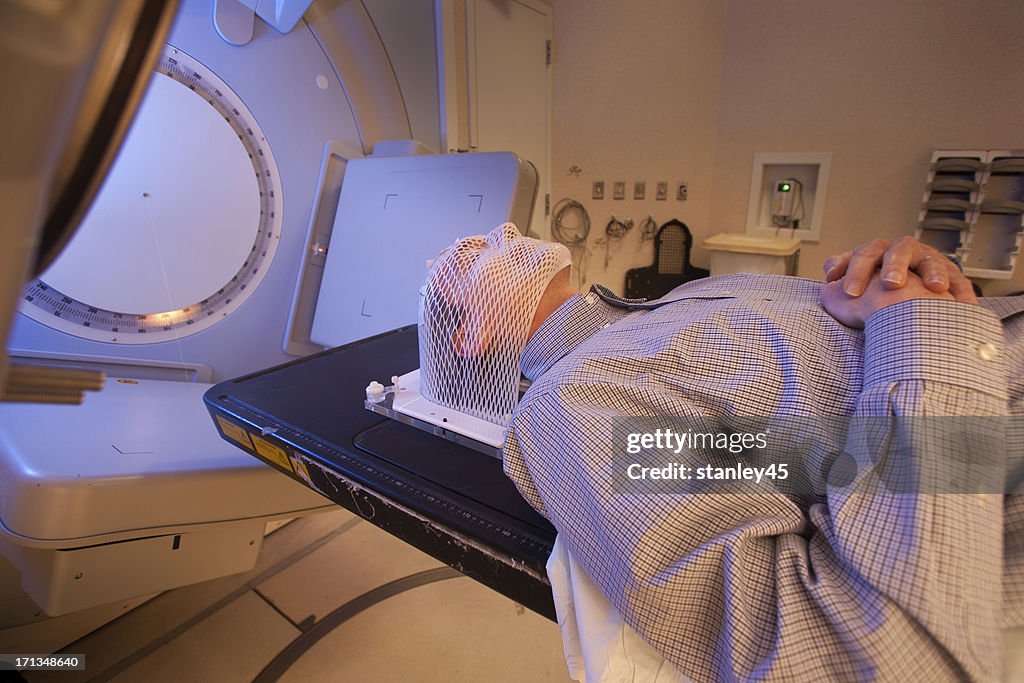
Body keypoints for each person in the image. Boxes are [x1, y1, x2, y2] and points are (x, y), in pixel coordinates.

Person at [420, 225, 1024, 682]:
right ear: (474, 337)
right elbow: (877, 653)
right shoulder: (580, 400)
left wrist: (909, 277)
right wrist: (922, 329)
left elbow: (786, 451)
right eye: (472, 256)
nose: (501, 231)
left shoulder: (690, 296)